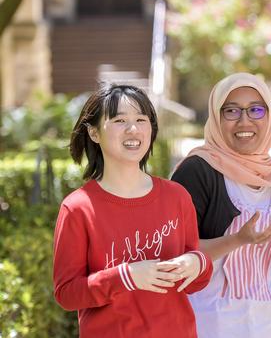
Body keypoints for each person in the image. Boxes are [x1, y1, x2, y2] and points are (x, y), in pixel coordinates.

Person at [170, 72, 271, 338]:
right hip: (206, 322)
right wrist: (237, 240)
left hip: (266, 323)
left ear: (269, 116)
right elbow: (177, 252)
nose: (244, 121)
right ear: (216, 116)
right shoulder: (197, 171)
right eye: (231, 111)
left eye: (256, 110)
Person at [52, 84, 213, 337]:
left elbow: (198, 279)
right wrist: (124, 276)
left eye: (141, 119)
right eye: (119, 120)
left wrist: (197, 262)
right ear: (94, 133)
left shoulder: (177, 197)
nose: (133, 128)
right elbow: (67, 294)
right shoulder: (77, 208)